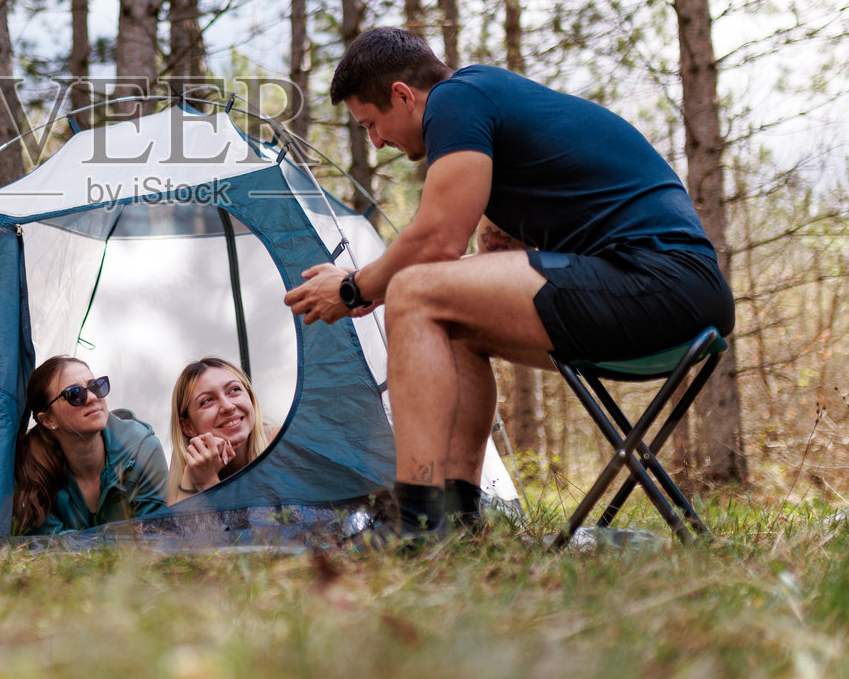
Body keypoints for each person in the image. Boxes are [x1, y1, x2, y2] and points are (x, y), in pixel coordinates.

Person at [284, 28, 734, 542]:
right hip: (672, 300)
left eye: (372, 124)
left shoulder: (458, 97)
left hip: (659, 284)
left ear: (403, 96)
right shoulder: (495, 120)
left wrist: (355, 288)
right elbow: (487, 259)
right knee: (451, 321)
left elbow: (436, 243)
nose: (377, 142)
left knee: (414, 290)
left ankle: (416, 522)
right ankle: (454, 517)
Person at [12, 356, 168, 534]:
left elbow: (156, 535)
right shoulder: (30, 467)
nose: (93, 397)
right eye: (75, 394)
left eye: (96, 386)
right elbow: (51, 549)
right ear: (47, 420)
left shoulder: (142, 449)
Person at [166, 357, 276, 504]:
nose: (228, 406)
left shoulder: (278, 441)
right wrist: (189, 479)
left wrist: (208, 482)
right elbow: (182, 526)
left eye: (234, 390)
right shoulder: (187, 457)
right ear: (187, 426)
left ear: (250, 398)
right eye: (207, 401)